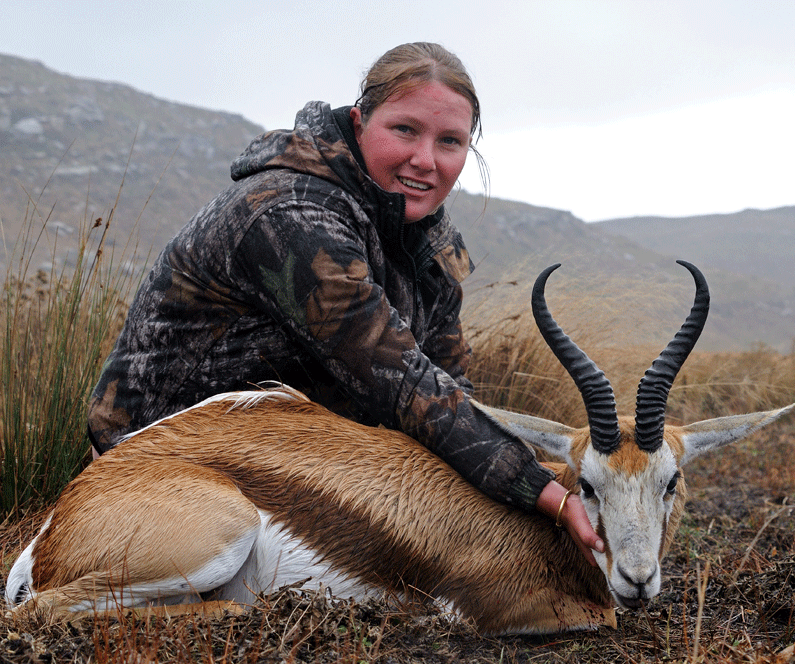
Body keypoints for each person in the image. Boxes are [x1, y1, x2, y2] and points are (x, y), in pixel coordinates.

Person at [87, 42, 604, 565]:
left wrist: (557, 480)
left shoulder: (427, 236)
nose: (425, 160)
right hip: (159, 480)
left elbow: (451, 387)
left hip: (292, 463)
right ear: (360, 124)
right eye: (404, 130)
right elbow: (401, 382)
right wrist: (544, 492)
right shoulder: (288, 213)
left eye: (449, 141)